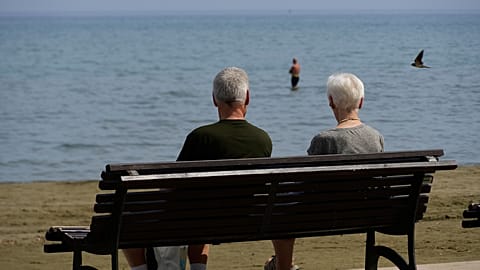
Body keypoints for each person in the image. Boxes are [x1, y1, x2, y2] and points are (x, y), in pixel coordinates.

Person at [122, 67, 272, 270]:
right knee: (201, 210)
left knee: (129, 215)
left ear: (214, 99)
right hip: (244, 220)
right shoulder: (262, 139)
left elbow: (174, 185)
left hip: (203, 219)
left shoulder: (201, 137)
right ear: (247, 97)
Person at [265, 73, 383, 270]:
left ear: (331, 102)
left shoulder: (324, 140)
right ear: (361, 102)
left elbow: (306, 185)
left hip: (324, 216)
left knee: (280, 205)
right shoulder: (375, 137)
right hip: (366, 214)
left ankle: (283, 266)